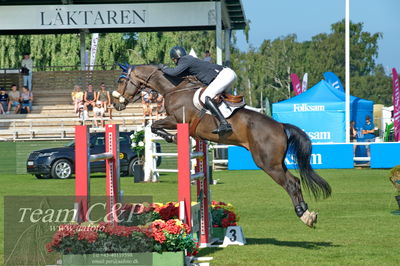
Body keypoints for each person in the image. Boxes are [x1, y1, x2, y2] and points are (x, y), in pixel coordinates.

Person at [159, 46, 237, 135]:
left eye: (174, 61)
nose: (175, 63)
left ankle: (224, 124)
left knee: (205, 97)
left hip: (224, 76)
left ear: (175, 59)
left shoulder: (185, 60)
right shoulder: (189, 60)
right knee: (216, 99)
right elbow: (179, 75)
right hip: (227, 74)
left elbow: (174, 72)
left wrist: (163, 67)